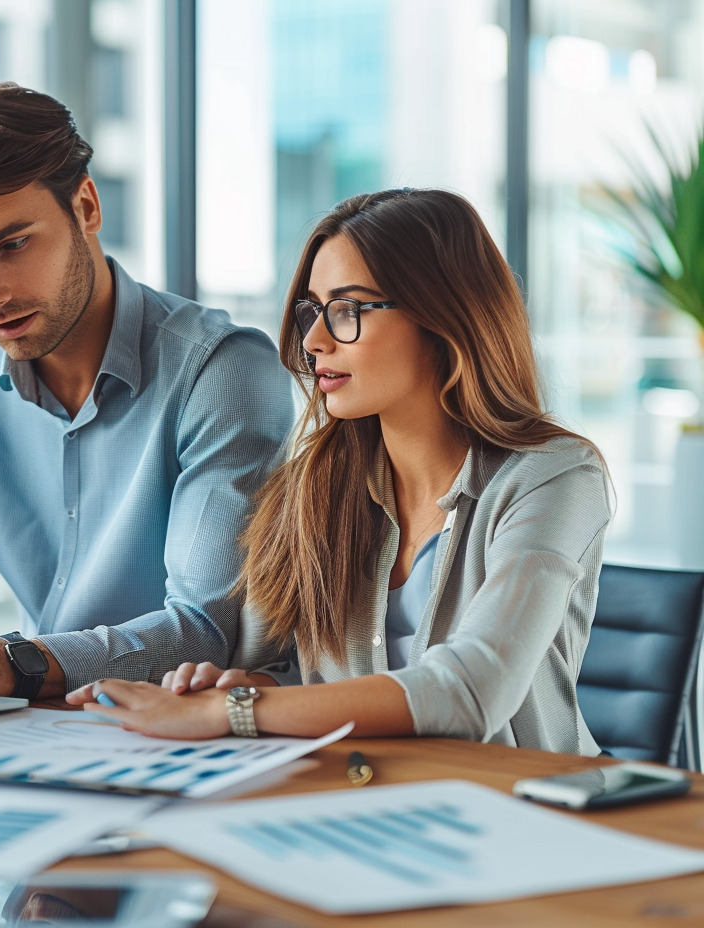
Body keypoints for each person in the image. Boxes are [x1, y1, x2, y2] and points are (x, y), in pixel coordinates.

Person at [70, 188, 612, 755]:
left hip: (525, 812)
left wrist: (234, 711)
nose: (313, 340)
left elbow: (470, 694)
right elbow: (287, 676)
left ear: (442, 315)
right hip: (360, 796)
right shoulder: (312, 487)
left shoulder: (556, 478)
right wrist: (248, 687)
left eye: (348, 309)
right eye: (312, 310)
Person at [0, 83, 293, 699]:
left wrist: (6, 663)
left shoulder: (221, 369)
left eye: (13, 245)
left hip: (175, 734)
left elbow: (204, 629)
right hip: (29, 731)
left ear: (86, 206)